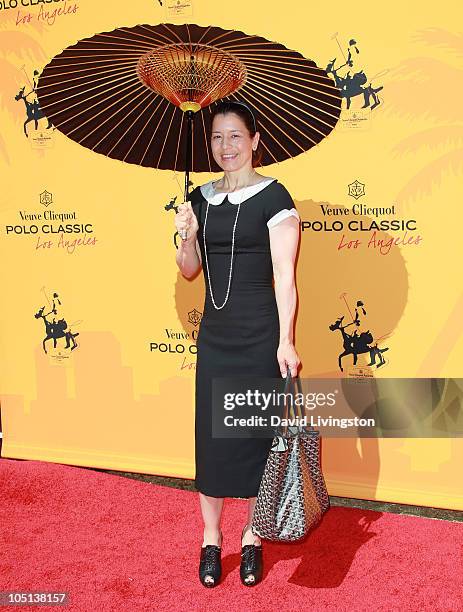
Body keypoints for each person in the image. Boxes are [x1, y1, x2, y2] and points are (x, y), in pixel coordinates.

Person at [175, 100, 301, 587]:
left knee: (252, 436)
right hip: (215, 336)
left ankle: (252, 536)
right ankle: (211, 539)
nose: (225, 146)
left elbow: (285, 277)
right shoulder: (200, 199)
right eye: (216, 138)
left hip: (259, 335)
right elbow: (189, 271)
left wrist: (285, 341)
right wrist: (186, 236)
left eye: (234, 136)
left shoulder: (275, 198)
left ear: (254, 141)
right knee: (212, 439)